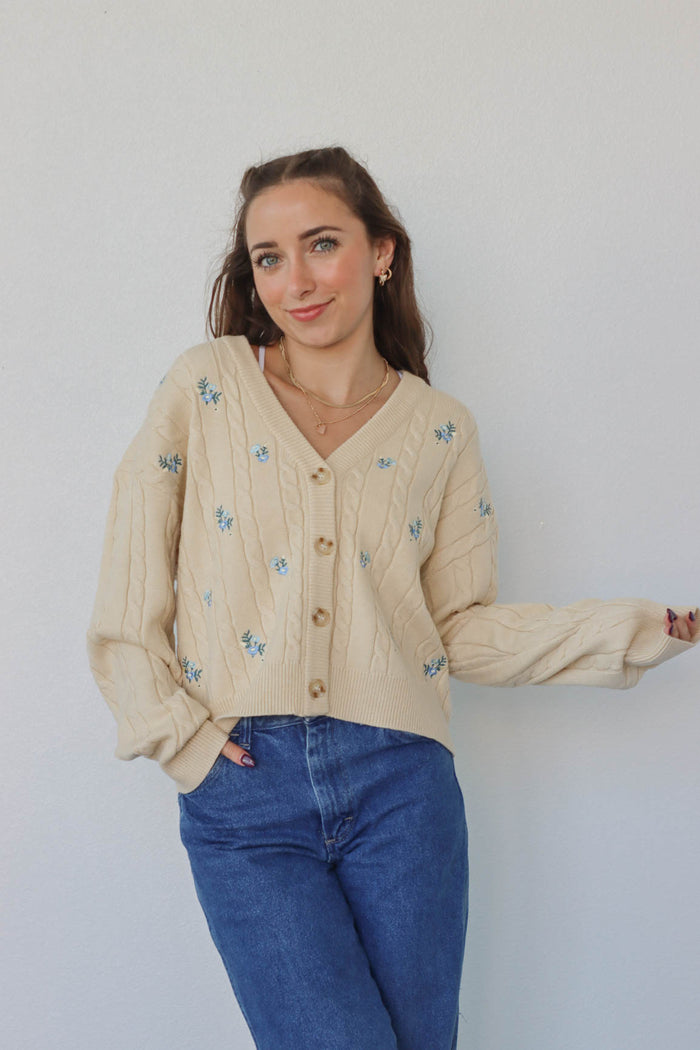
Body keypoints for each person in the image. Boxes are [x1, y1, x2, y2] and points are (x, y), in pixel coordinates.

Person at [86, 145, 698, 1050]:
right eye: (269, 257)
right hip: (243, 790)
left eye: (322, 243)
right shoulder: (204, 387)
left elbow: (459, 628)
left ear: (381, 252)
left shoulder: (441, 430)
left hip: (403, 789)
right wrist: (186, 743)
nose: (296, 279)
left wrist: (636, 631)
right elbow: (128, 593)